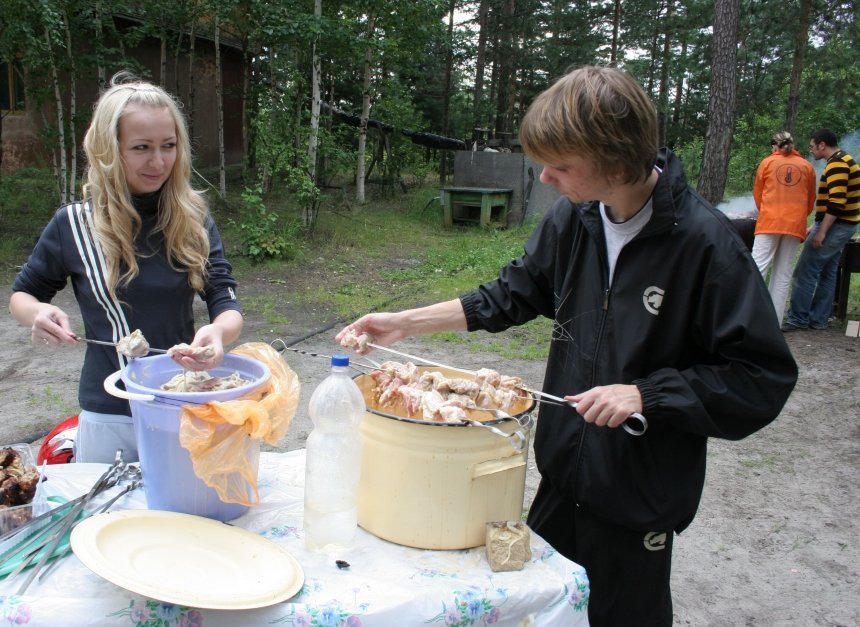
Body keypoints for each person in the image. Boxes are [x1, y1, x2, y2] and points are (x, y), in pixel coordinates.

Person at [337, 66, 797, 626]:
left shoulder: (706, 247)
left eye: (561, 165)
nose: (546, 177)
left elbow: (761, 377)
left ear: (617, 164)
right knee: (544, 615)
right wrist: (404, 324)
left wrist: (648, 394)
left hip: (637, 502)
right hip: (560, 481)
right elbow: (511, 294)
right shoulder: (575, 218)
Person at [10, 73, 244, 464]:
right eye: (141, 148)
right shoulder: (74, 225)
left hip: (179, 403)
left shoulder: (193, 220)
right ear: (109, 150)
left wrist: (219, 331)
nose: (159, 162)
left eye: (168, 146)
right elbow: (23, 295)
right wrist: (36, 313)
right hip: (108, 414)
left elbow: (224, 296)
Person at [783, 128, 860, 330]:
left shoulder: (837, 164)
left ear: (822, 144)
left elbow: (836, 203)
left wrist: (822, 231)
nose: (812, 151)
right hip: (843, 223)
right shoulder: (843, 159)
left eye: (812, 147)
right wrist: (815, 224)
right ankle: (818, 319)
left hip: (837, 225)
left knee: (805, 270)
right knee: (828, 270)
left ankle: (798, 319)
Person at [751, 131, 816, 326]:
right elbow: (810, 201)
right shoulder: (807, 166)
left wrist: (768, 212)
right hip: (794, 226)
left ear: (775, 146)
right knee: (783, 274)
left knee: (757, 269)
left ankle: (748, 319)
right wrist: (795, 217)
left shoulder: (767, 163)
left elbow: (758, 195)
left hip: (769, 222)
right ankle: (774, 325)